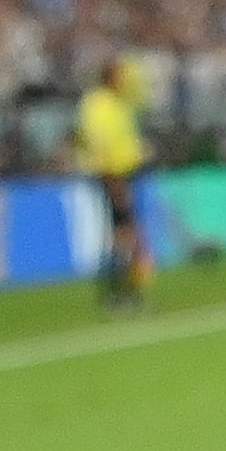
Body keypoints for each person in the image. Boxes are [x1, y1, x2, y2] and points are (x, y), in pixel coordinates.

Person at [74, 54, 153, 311]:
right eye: (121, 75)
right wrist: (114, 182)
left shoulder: (117, 102)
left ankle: (125, 290)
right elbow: (100, 147)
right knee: (122, 234)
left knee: (126, 233)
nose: (126, 79)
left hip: (124, 173)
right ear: (110, 77)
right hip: (112, 176)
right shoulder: (99, 105)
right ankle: (117, 292)